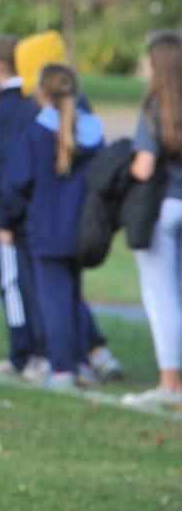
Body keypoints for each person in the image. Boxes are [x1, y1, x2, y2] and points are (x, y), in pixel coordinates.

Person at [3, 65, 103, 388]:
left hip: (46, 229)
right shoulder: (93, 133)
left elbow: (18, 183)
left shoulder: (36, 134)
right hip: (83, 229)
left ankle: (61, 368)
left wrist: (7, 220)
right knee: (74, 296)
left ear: (41, 93)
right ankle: (81, 362)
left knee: (54, 300)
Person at [0, 34, 47, 378]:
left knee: (14, 283)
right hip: (22, 206)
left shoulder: (12, 106)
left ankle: (24, 351)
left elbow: (0, 161)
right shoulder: (7, 104)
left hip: (9, 210)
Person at [123, 31, 182, 407]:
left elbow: (143, 168)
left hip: (164, 208)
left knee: (163, 297)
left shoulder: (156, 107)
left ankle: (169, 383)